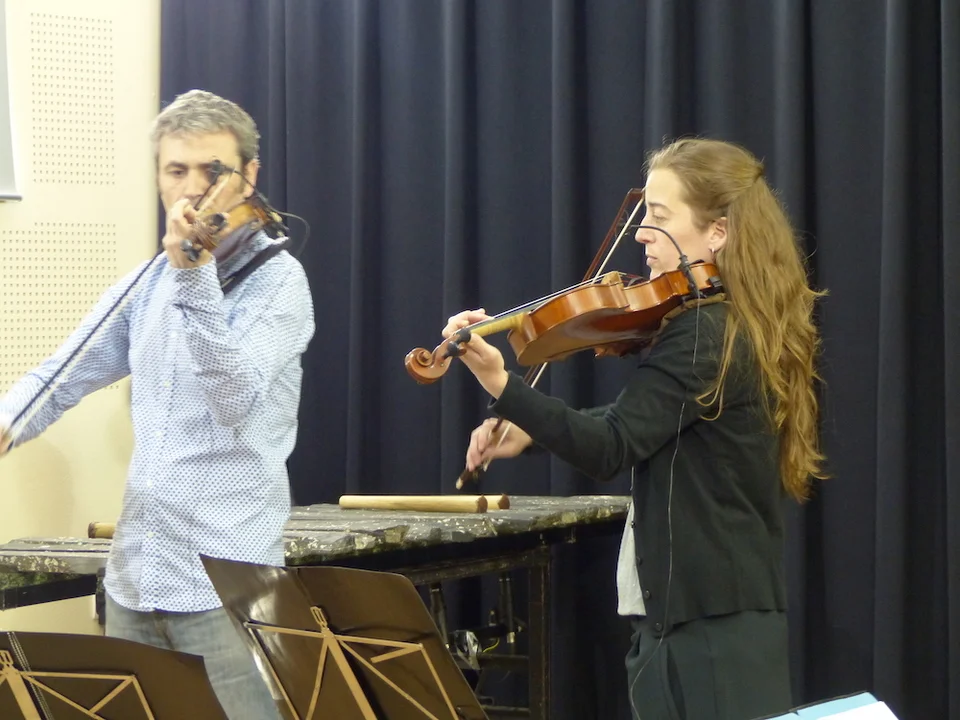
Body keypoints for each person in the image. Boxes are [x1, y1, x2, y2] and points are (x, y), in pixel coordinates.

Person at [442, 138, 825, 719]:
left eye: (660, 217)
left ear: (717, 233)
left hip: (705, 629)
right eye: (643, 215)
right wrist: (529, 428)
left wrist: (502, 384)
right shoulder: (729, 323)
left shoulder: (705, 331)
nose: (642, 232)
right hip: (710, 618)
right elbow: (647, 423)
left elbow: (612, 446)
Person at [0, 90, 314, 720]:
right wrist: (7, 423)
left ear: (249, 174)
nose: (193, 190)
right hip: (136, 576)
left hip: (228, 583)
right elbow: (62, 374)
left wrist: (193, 274)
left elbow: (235, 399)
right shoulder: (148, 283)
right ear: (158, 178)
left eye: (213, 170)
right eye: (177, 171)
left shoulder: (280, 284)